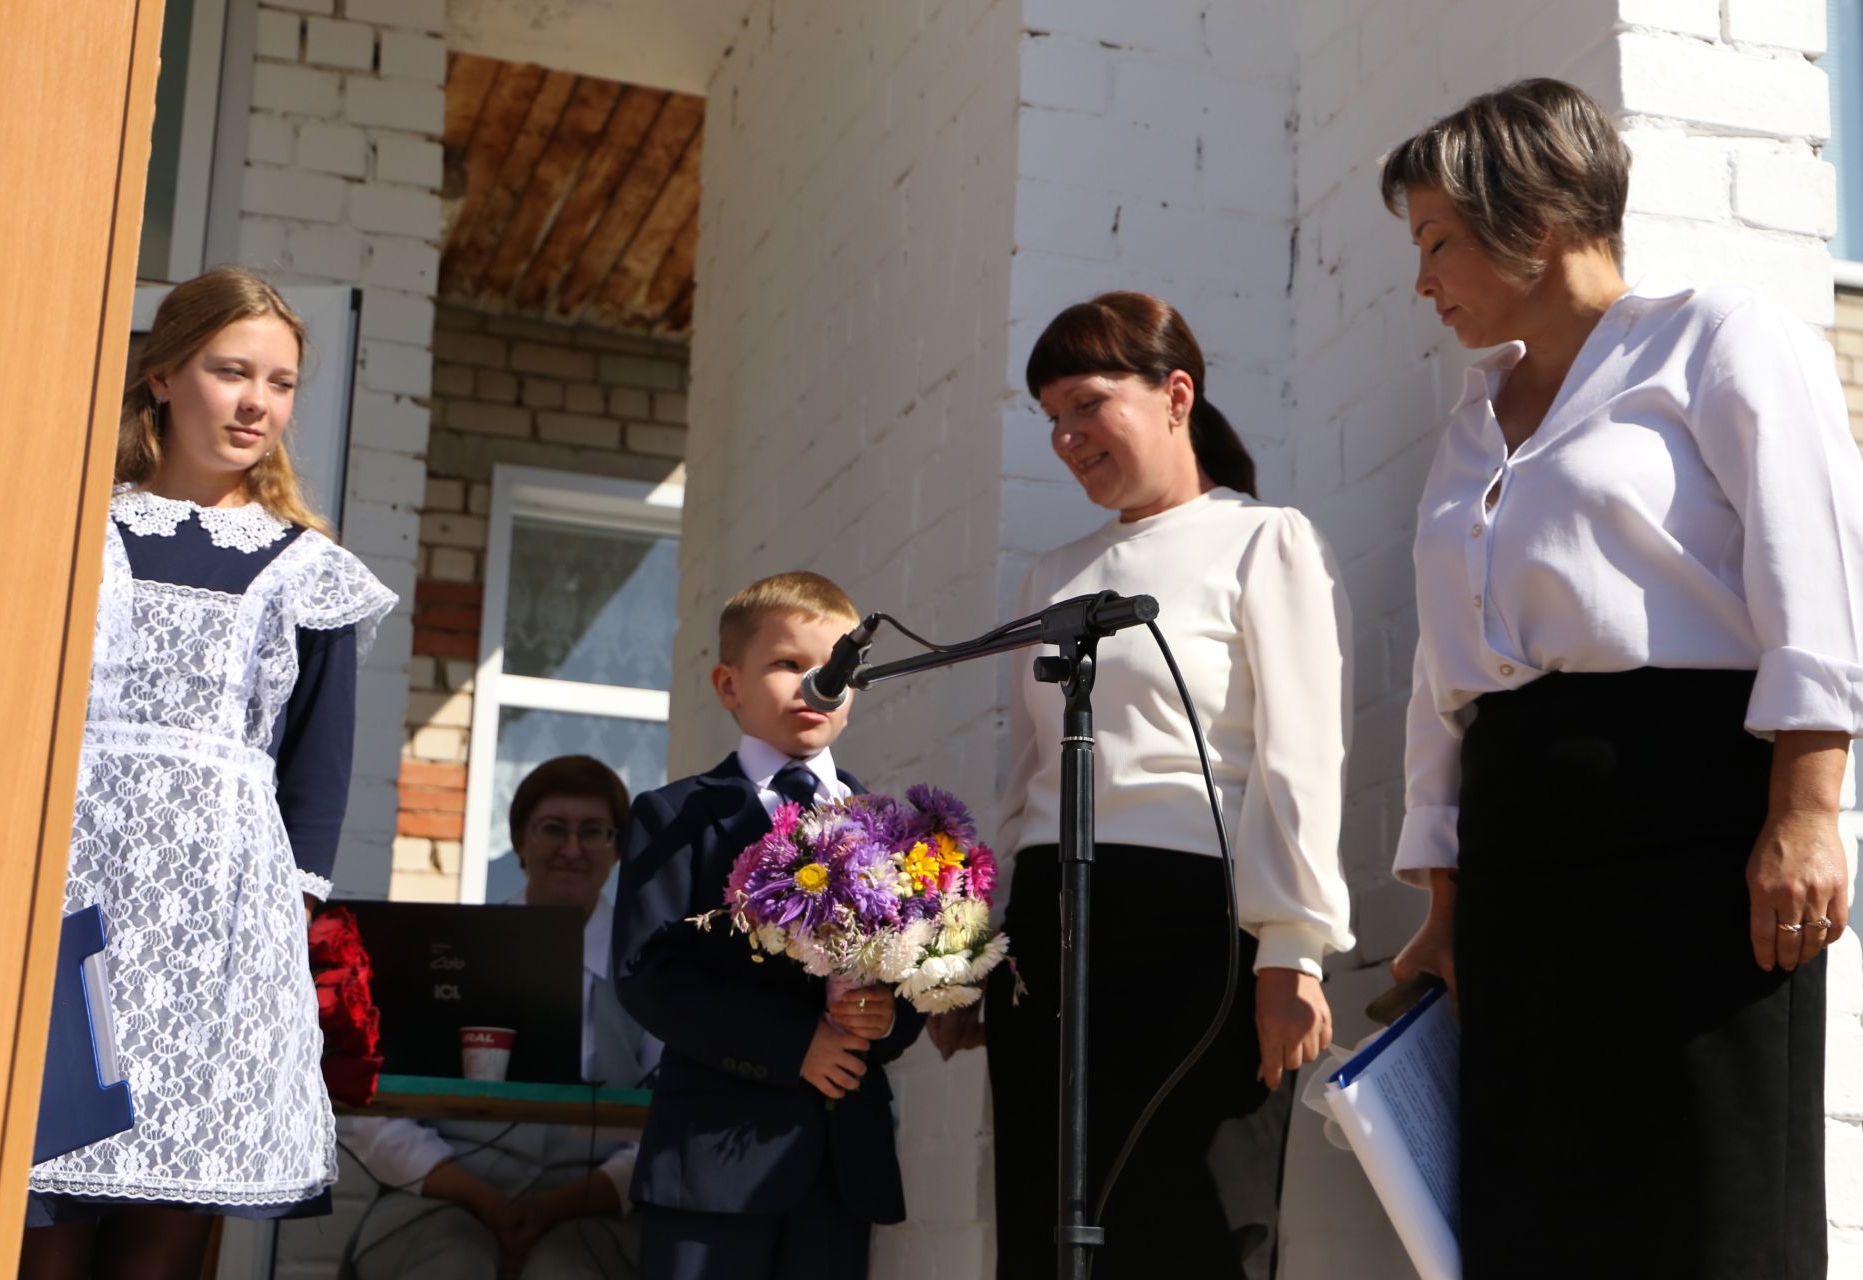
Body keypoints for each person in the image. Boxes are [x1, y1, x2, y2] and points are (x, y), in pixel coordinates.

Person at [1381, 78, 1862, 1279]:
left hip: (1693, 821)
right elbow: (1447, 677)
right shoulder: (1470, 424)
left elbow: (1818, 571)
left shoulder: (1718, 338)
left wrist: (1808, 809)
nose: (1424, 279)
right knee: (1534, 1204)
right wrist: (1444, 900)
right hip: (1519, 848)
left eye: (1439, 240)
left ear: (1532, 224)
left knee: (1713, 1195)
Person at [22, 268, 396, 1279]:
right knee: (36, 1230)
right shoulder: (73, 532)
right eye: (231, 371)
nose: (255, 403)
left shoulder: (305, 568)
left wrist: (298, 924)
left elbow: (318, 770)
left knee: (159, 1246)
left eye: (280, 382)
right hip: (70, 915)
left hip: (217, 932)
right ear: (161, 378)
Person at [979, 292, 1355, 1280]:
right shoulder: (1048, 575)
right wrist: (977, 944)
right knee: (1042, 1220)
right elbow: (1025, 768)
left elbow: (1302, 752)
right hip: (1045, 925)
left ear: (1175, 393)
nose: (1066, 436)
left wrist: (1293, 947)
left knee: (1190, 1222)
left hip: (1192, 924)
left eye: (1088, 404)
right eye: (1051, 416)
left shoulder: (1264, 539)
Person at [612, 571, 928, 1280]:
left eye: (833, 669)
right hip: (713, 1158)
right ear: (730, 686)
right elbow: (647, 972)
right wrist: (795, 1046)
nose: (813, 685)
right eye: (788, 665)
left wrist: (887, 1015)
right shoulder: (675, 815)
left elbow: (912, 970)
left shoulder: (884, 825)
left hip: (840, 1161)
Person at [341, 755, 662, 1280]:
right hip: (439, 1201)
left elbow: (667, 1120)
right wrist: (479, 1198)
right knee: (452, 1266)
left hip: (598, 1213)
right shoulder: (447, 951)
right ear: (519, 843)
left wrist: (560, 1206)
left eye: (594, 832)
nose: (572, 849)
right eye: (553, 829)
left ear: (618, 849)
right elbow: (379, 1112)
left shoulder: (649, 971)